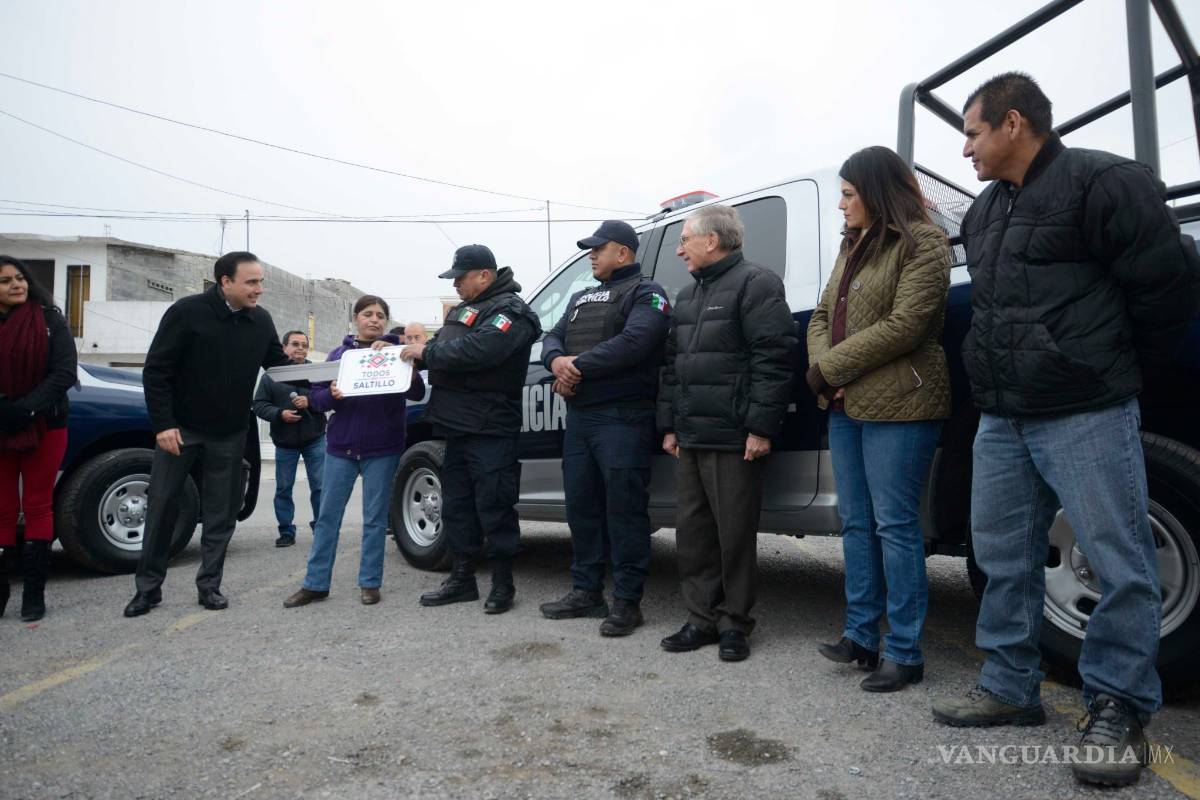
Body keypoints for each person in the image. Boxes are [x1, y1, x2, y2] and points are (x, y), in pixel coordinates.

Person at [930, 73, 1200, 787]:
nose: (967, 150)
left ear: (1014, 123)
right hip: (1001, 415)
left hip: (1086, 409)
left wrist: (1108, 370)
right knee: (1001, 555)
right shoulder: (985, 211)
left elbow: (1168, 285)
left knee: (1118, 558)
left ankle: (1119, 704)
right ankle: (1011, 686)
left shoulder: (1102, 182)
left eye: (973, 132)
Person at [806, 146, 952, 692]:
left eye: (847, 194)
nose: (841, 205)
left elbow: (907, 325)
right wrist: (826, 367)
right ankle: (861, 636)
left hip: (901, 402)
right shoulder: (851, 246)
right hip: (844, 404)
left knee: (895, 525)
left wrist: (831, 366)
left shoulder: (923, 241)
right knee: (855, 523)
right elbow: (822, 316)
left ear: (876, 191)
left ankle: (906, 651)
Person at [657, 205, 796, 662]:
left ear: (711, 241)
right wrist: (670, 426)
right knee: (693, 533)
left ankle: (734, 624)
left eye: (684, 240)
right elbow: (672, 368)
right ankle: (701, 619)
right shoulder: (687, 297)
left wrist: (760, 426)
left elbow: (773, 359)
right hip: (693, 435)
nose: (679, 250)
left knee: (734, 534)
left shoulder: (757, 284)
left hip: (734, 436)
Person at [124, 251, 289, 617]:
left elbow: (279, 367)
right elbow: (157, 371)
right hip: (180, 431)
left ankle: (210, 586)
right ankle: (147, 589)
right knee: (164, 506)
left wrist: (341, 369)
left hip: (229, 433)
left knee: (221, 513)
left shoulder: (260, 321)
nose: (259, 289)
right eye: (252, 282)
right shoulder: (187, 312)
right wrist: (164, 425)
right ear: (225, 281)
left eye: (261, 281)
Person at [538, 220, 671, 636]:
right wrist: (556, 361)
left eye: (599, 248)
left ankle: (628, 602)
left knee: (624, 512)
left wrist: (575, 366)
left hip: (623, 418)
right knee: (582, 507)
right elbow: (552, 336)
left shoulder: (648, 293)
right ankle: (586, 592)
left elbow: (636, 342)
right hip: (581, 419)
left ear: (624, 253)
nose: (591, 255)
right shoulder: (580, 296)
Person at [403, 244, 541, 614]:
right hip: (454, 425)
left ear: (484, 275)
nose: (457, 285)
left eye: (461, 278)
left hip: (490, 426)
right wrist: (417, 352)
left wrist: (427, 355)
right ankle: (462, 579)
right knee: (458, 506)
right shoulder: (464, 310)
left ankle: (502, 582)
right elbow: (440, 344)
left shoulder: (511, 312)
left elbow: (481, 351)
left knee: (494, 506)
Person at [284, 296, 425, 608]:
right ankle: (315, 584)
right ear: (356, 319)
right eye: (367, 314)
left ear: (386, 322)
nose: (373, 320)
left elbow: (416, 392)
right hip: (340, 449)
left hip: (383, 449)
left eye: (379, 315)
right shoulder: (339, 355)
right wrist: (332, 396)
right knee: (327, 518)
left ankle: (370, 583)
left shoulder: (396, 353)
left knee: (374, 520)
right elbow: (317, 400)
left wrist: (407, 366)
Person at [0, 256, 77, 621]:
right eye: (4, 281)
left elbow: (64, 373)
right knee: (1, 509)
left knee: (37, 505)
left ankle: (34, 593)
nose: (16, 285)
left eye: (19, 278)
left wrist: (26, 409)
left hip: (47, 423)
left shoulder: (49, 319)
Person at [253, 330, 326, 548]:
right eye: (295, 344)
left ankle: (321, 528)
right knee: (284, 488)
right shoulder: (271, 375)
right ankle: (286, 531)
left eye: (304, 345)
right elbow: (259, 405)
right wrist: (279, 414)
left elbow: (328, 399)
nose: (300, 348)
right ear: (284, 348)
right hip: (285, 443)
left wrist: (311, 402)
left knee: (320, 486)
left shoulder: (316, 373)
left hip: (315, 439)